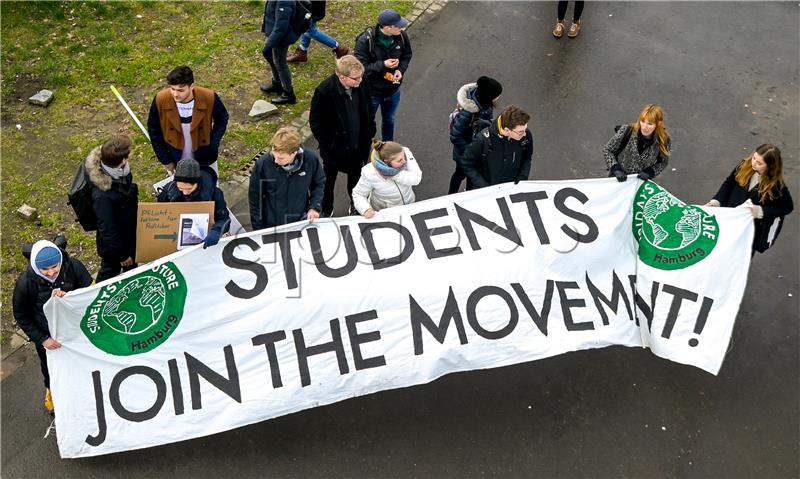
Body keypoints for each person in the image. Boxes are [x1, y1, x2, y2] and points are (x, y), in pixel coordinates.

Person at [13, 239, 92, 413]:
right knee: (49, 366)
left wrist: (70, 297)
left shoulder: (74, 267)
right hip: (47, 336)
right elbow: (21, 315)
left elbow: (90, 295)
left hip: (75, 330)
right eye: (45, 269)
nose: (50, 273)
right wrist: (42, 339)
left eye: (54, 267)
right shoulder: (25, 283)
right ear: (35, 266)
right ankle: (52, 393)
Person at [309, 55, 376, 216]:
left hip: (359, 146)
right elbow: (316, 123)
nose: (360, 80)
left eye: (361, 76)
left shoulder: (362, 82)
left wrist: (370, 130)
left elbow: (368, 106)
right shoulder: (325, 91)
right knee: (328, 180)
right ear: (342, 77)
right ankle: (326, 208)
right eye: (355, 78)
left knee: (356, 178)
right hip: (334, 150)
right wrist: (330, 144)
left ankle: (355, 204)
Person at [705, 144, 794, 254]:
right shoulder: (744, 165)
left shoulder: (777, 186)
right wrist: (716, 201)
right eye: (754, 158)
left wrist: (761, 211)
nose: (753, 163)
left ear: (770, 166)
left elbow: (787, 207)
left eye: (759, 163)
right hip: (729, 219)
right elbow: (729, 184)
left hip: (748, 231)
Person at [147, 65, 229, 176]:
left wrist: (213, 143)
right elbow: (154, 130)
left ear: (191, 87)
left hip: (204, 155)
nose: (175, 94)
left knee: (209, 188)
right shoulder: (161, 99)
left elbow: (222, 118)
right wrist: (165, 159)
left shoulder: (209, 97)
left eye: (180, 90)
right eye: (172, 89)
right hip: (176, 156)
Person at [249, 126, 325, 229]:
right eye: (274, 155)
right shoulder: (263, 164)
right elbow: (255, 198)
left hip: (300, 222)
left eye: (280, 158)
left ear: (294, 153)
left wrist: (314, 207)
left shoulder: (311, 160)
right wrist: (258, 229)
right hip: (272, 226)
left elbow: (319, 183)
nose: (275, 160)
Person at [354, 8, 412, 141]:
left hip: (392, 91)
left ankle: (388, 147)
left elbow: (407, 55)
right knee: (367, 123)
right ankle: (365, 148)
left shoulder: (402, 36)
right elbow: (361, 68)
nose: (402, 28)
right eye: (398, 26)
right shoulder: (365, 42)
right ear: (386, 27)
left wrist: (400, 70)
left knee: (389, 120)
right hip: (372, 93)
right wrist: (383, 65)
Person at [87, 135, 139, 283]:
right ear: (122, 161)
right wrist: (122, 255)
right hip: (116, 248)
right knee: (108, 275)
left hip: (129, 235)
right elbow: (107, 229)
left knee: (133, 272)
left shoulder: (119, 172)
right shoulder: (102, 197)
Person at [157, 158, 231, 248]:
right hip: (176, 237)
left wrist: (217, 230)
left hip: (205, 238)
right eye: (180, 188)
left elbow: (224, 219)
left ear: (197, 183)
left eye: (189, 189)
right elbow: (159, 214)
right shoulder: (169, 190)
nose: (185, 192)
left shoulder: (214, 193)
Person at [448, 76, 503, 194]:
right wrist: (470, 151)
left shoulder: (483, 105)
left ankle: (469, 192)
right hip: (465, 153)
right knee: (460, 173)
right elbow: (455, 136)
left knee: (472, 175)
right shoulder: (468, 113)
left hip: (476, 149)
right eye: (497, 95)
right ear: (489, 97)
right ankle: (451, 194)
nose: (498, 98)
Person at [460, 105, 533, 189]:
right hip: (489, 192)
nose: (525, 134)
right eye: (520, 132)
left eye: (525, 129)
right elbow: (467, 163)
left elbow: (527, 158)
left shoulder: (525, 136)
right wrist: (483, 186)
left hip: (512, 189)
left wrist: (522, 177)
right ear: (507, 130)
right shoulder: (482, 140)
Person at [352, 139, 422, 218]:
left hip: (409, 206)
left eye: (404, 157)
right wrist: (366, 209)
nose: (405, 161)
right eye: (399, 160)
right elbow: (358, 194)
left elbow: (416, 179)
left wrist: (393, 174)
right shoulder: (369, 173)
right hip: (386, 214)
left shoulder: (404, 153)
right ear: (386, 162)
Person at [603, 104, 671, 182]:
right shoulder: (626, 131)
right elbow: (607, 150)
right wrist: (615, 168)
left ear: (658, 124)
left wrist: (650, 172)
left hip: (640, 183)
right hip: (618, 179)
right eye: (643, 121)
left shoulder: (663, 140)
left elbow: (663, 162)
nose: (644, 127)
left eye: (650, 124)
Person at [260, 0, 301, 105]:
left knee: (280, 64)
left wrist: (269, 44)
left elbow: (281, 27)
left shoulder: (284, 2)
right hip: (276, 36)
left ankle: (289, 94)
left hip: (281, 39)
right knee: (273, 59)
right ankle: (277, 84)